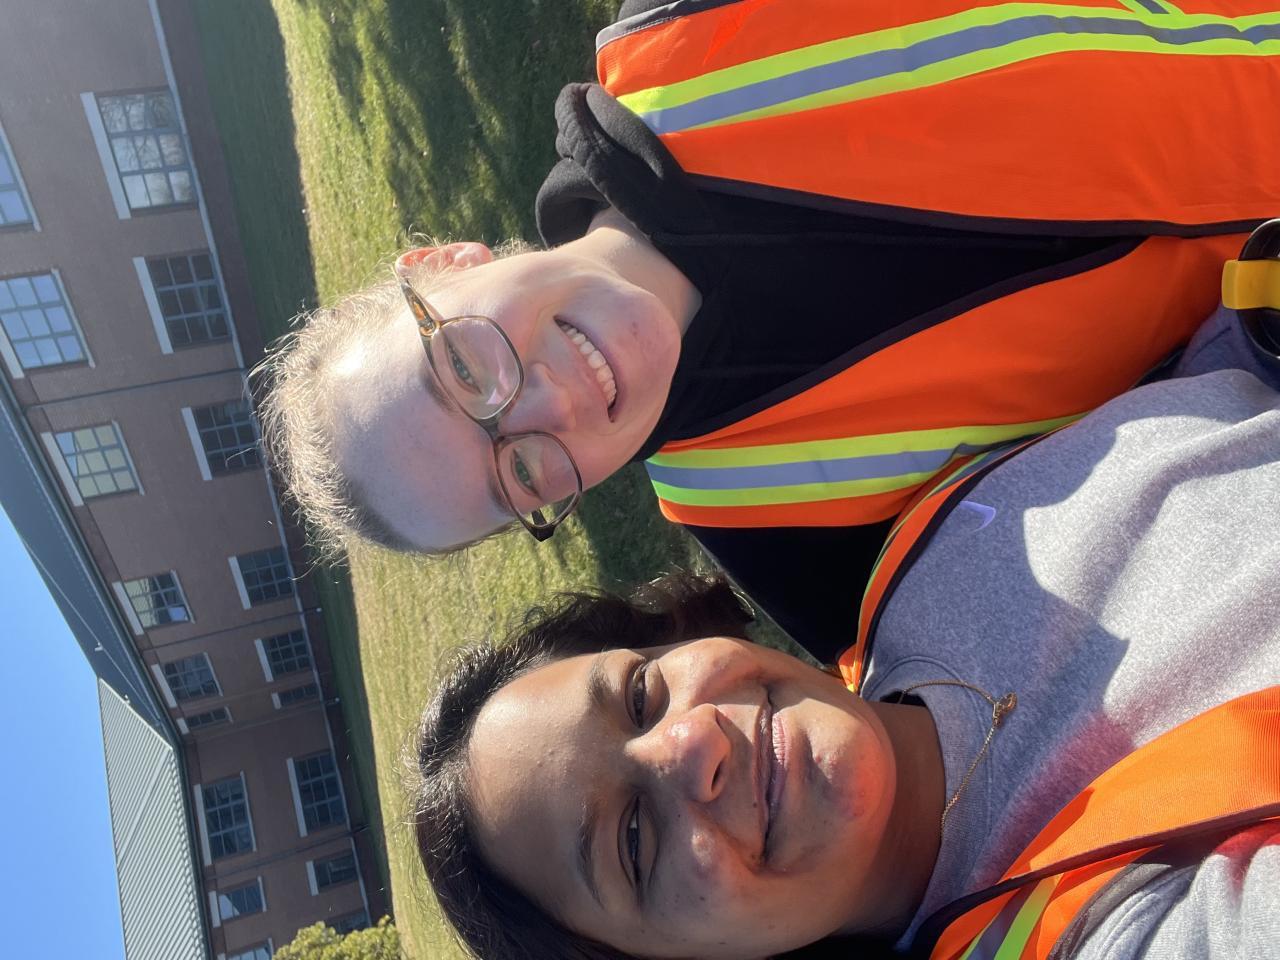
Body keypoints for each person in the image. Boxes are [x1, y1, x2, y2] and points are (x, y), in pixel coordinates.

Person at [259, 0, 1280, 657]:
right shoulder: (796, 546)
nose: (543, 408)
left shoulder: (695, 26)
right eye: (517, 476)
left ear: (443, 265)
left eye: (461, 368)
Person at [409, 321, 1280, 958]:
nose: (692, 743)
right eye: (633, 842)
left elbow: (1215, 383)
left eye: (640, 695)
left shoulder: (917, 561)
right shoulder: (1063, 934)